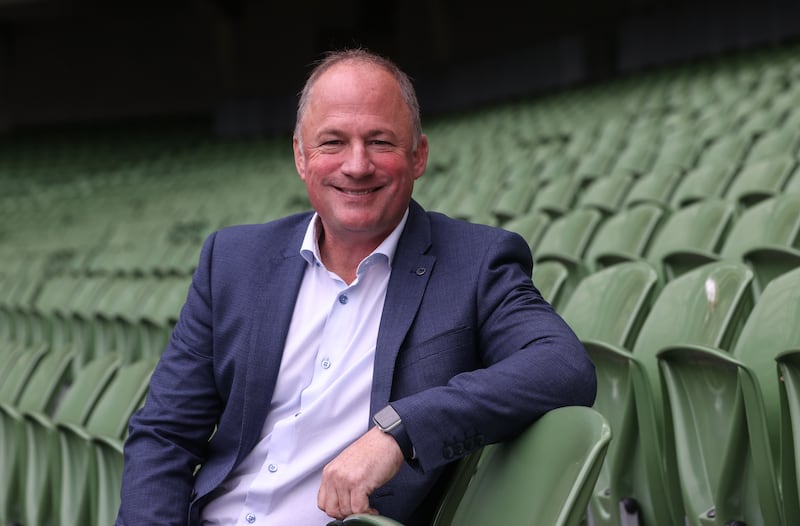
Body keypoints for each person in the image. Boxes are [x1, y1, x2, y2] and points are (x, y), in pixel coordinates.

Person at [116, 48, 596, 526]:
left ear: (419, 156)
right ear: (301, 157)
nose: (357, 164)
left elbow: (562, 366)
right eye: (332, 143)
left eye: (380, 141)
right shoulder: (233, 261)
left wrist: (399, 430)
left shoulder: (476, 263)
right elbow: (164, 434)